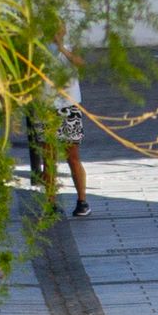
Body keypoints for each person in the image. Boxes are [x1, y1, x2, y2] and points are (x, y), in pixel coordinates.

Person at [58, 61, 88, 215]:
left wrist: (62, 47)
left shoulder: (71, 38)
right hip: (44, 104)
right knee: (47, 157)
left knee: (72, 155)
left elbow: (80, 61)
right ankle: (50, 202)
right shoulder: (36, 38)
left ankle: (82, 201)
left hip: (69, 103)